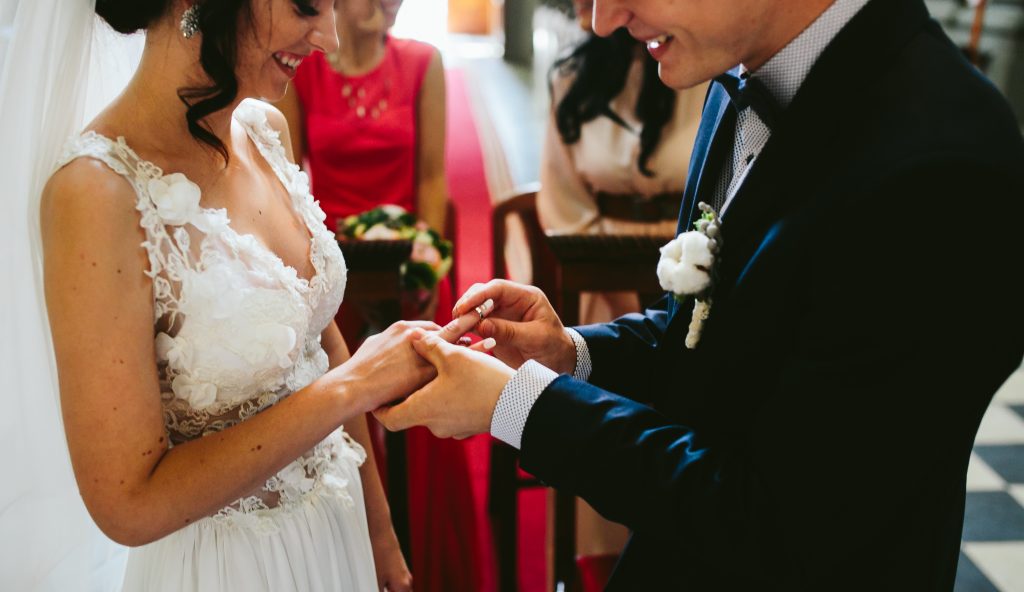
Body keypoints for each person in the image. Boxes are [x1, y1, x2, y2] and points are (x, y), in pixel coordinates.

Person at [374, 0, 1024, 589]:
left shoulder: (946, 171)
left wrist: (518, 405)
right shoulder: (736, 75)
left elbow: (783, 528)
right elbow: (710, 339)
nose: (601, 20)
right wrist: (570, 354)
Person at [37, 1, 484, 589]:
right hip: (231, 566)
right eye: (306, 6)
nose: (327, 36)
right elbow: (127, 504)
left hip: (338, 531)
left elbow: (319, 339)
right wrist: (355, 386)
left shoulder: (265, 130)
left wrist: (380, 537)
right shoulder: (96, 193)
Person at [538, 1, 705, 564]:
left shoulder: (707, 69)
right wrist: (609, 267)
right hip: (598, 272)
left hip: (694, 271)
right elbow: (561, 198)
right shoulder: (572, 77)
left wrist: (679, 265)